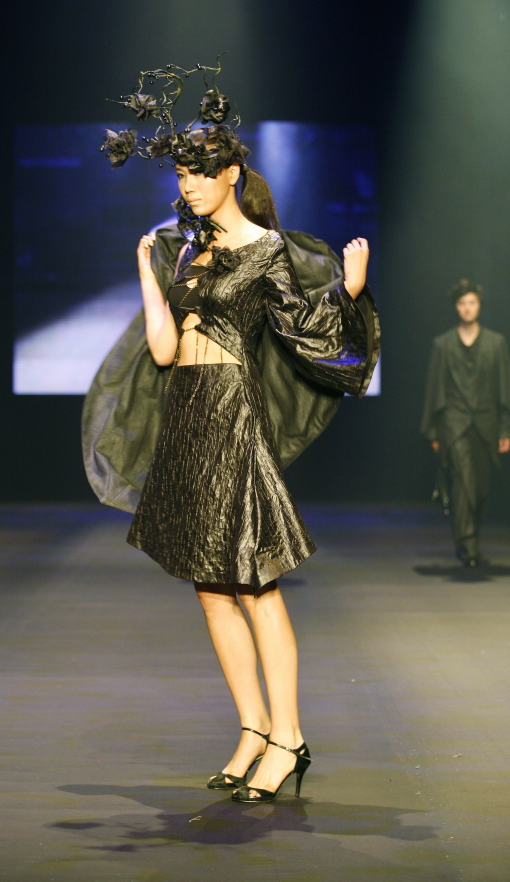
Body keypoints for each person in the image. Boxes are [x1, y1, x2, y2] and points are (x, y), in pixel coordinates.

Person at [83, 62, 379, 802]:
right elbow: (161, 351)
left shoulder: (267, 251)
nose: (187, 185)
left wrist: (347, 290)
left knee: (256, 585)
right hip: (185, 413)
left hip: (231, 414)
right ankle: (252, 729)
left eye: (199, 174)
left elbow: (304, 329)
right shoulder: (188, 250)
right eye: (181, 174)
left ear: (231, 175)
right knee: (211, 588)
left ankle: (290, 738)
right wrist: (148, 274)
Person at [421, 279, 510, 566]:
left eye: (472, 303)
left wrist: (505, 429)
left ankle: (470, 542)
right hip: (454, 424)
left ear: (479, 306)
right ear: (456, 307)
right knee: (463, 482)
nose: (467, 308)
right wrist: (434, 431)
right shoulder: (443, 344)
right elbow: (435, 388)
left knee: (479, 489)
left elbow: (505, 386)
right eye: (462, 303)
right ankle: (467, 546)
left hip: (486, 424)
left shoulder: (496, 343)